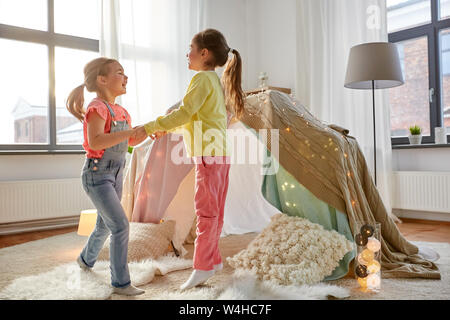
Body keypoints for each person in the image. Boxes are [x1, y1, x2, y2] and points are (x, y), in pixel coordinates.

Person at [134, 28, 244, 290]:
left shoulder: (201, 80)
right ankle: (213, 260)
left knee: (205, 214)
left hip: (208, 156)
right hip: (220, 155)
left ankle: (203, 267)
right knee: (215, 213)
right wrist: (164, 128)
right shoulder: (214, 82)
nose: (187, 53)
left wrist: (150, 127)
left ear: (204, 53)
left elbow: (185, 113)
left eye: (191, 49)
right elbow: (193, 120)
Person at [66, 57, 150, 296]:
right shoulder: (97, 107)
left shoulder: (122, 111)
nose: (126, 78)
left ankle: (84, 260)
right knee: (121, 226)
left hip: (116, 173)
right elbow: (96, 141)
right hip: (97, 174)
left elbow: (130, 141)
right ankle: (120, 283)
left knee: (104, 225)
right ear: (102, 80)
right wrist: (131, 132)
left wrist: (148, 131)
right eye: (120, 73)